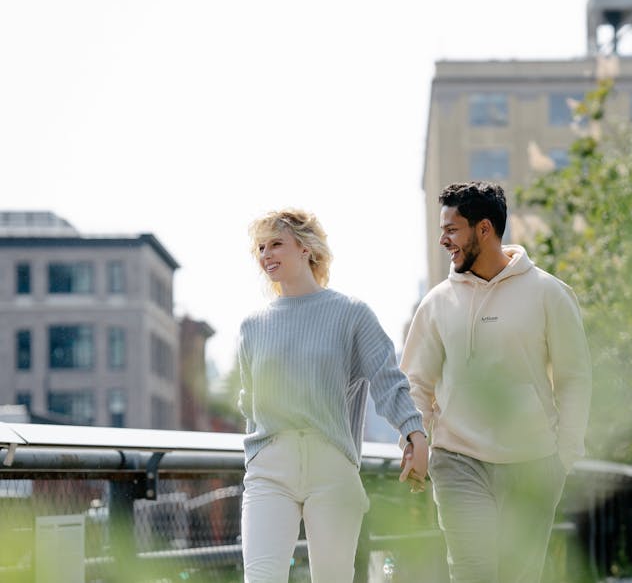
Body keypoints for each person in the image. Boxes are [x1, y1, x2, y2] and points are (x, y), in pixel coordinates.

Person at [401, 181, 592, 582]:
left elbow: (574, 378)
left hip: (534, 464)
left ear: (483, 229)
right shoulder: (437, 303)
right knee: (471, 573)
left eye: (452, 230)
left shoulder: (549, 293)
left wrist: (564, 457)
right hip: (458, 461)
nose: (443, 240)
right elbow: (416, 382)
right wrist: (416, 440)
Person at [236, 208, 428, 583]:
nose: (266, 255)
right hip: (269, 471)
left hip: (332, 469)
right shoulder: (252, 326)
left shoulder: (351, 314)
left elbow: (388, 379)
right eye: (260, 248)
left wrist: (414, 433)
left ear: (306, 248)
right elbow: (249, 403)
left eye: (276, 244)